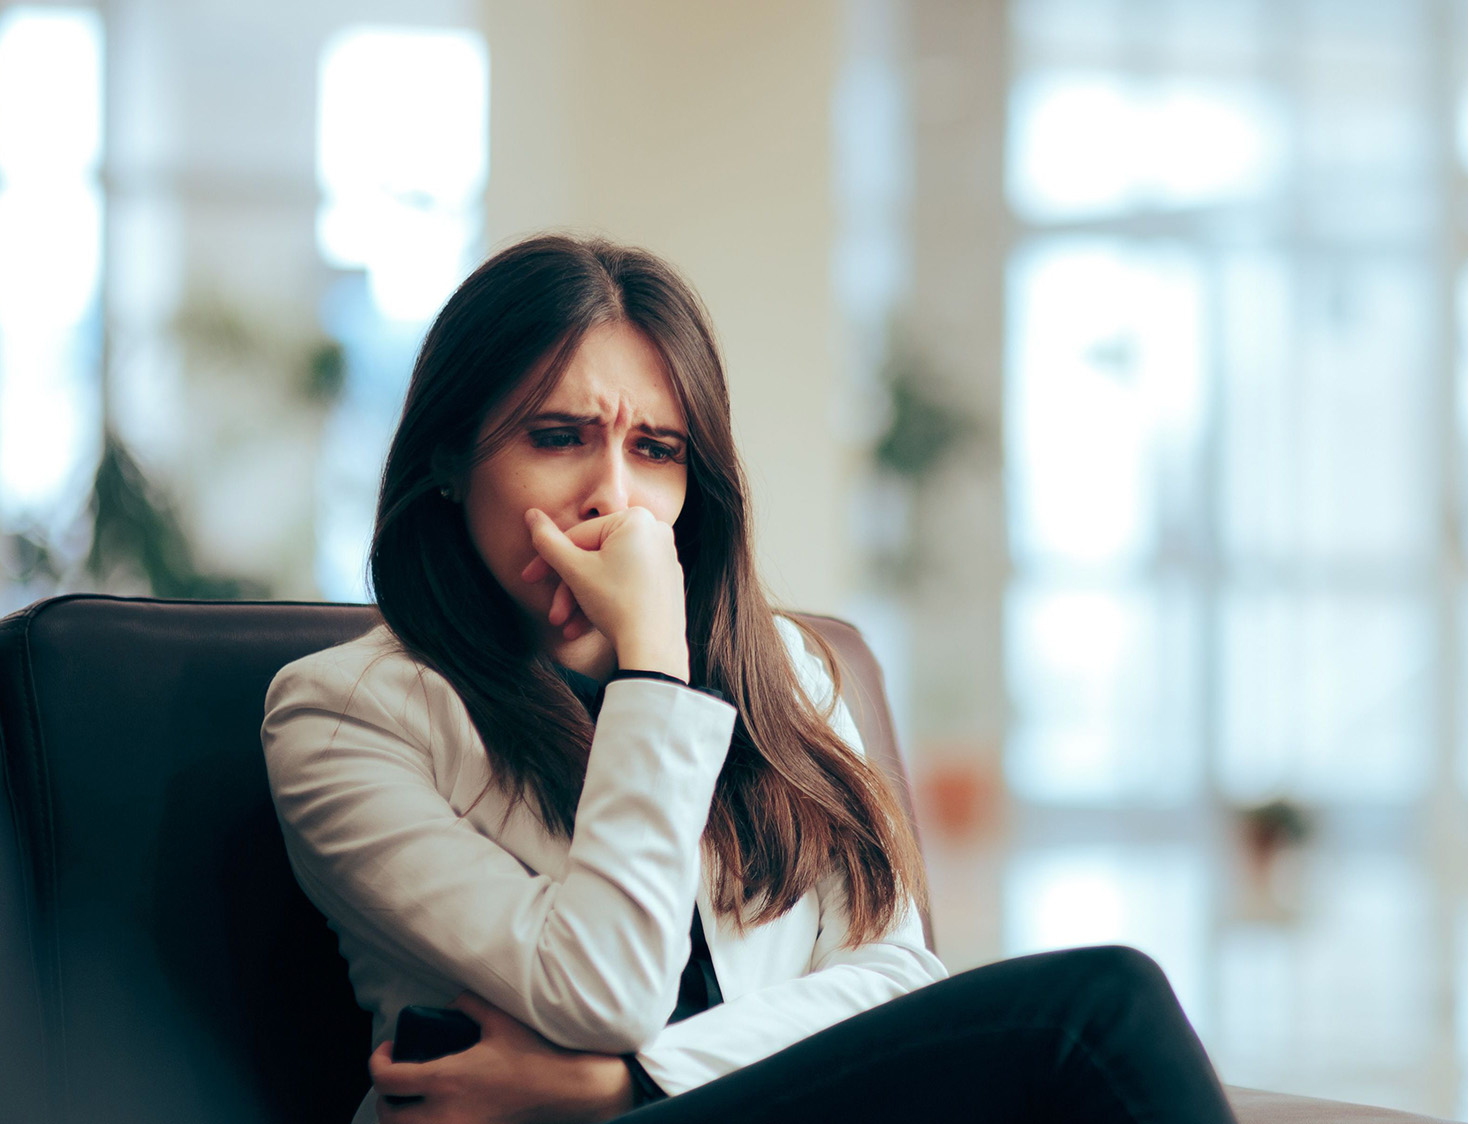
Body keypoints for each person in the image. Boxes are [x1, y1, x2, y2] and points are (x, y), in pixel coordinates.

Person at [262, 233, 1238, 1124]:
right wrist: (653, 662)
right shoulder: (345, 715)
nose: (613, 493)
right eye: (556, 436)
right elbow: (602, 986)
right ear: (451, 456)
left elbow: (894, 978)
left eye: (656, 449)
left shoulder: (784, 669)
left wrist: (628, 1080)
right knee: (1093, 1013)